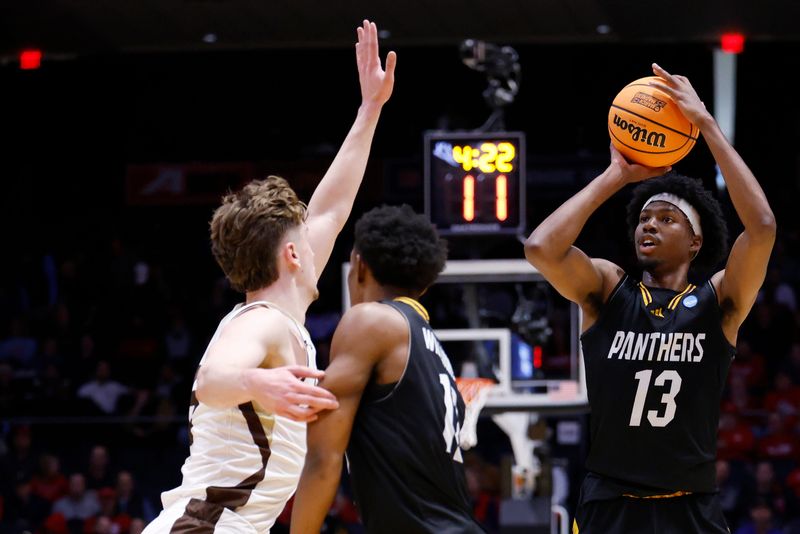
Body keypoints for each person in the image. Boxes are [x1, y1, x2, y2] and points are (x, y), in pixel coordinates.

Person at [142, 19, 396, 534]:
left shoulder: (281, 313)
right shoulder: (260, 324)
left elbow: (332, 206)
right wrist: (258, 381)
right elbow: (213, 379)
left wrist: (370, 110)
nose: (319, 236)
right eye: (306, 236)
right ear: (292, 256)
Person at [524, 63, 775, 533]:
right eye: (644, 217)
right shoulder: (608, 289)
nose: (649, 224)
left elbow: (761, 228)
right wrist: (616, 175)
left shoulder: (718, 301)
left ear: (696, 242)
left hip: (691, 508)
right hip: (609, 505)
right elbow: (541, 248)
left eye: (666, 218)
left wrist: (707, 128)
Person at [290, 205, 485, 533]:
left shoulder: (370, 321)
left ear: (359, 265)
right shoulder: (428, 343)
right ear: (422, 286)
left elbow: (323, 460)